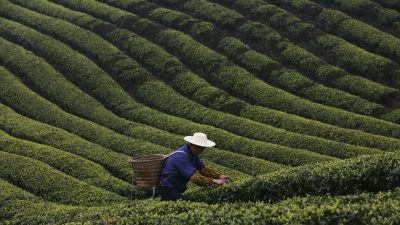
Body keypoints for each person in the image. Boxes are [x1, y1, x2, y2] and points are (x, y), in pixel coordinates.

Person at [157, 132, 232, 201]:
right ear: (195, 146)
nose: (202, 150)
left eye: (203, 148)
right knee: (183, 204)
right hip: (167, 187)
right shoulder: (181, 157)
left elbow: (203, 169)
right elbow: (194, 178)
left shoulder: (193, 154)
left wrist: (219, 176)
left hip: (176, 186)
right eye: (201, 148)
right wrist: (214, 181)